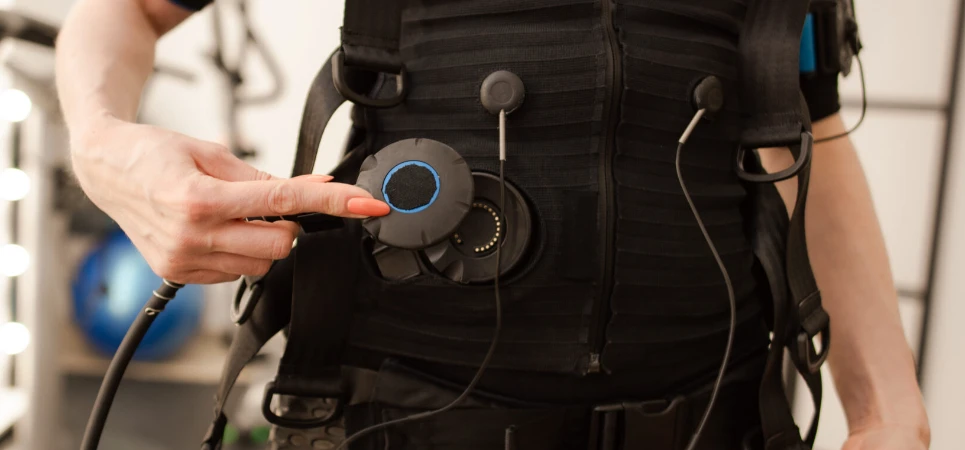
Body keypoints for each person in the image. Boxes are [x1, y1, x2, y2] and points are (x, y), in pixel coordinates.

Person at [55, 0, 930, 449]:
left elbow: (801, 126)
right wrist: (101, 147)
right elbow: (124, 8)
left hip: (717, 417)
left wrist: (888, 412)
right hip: (393, 418)